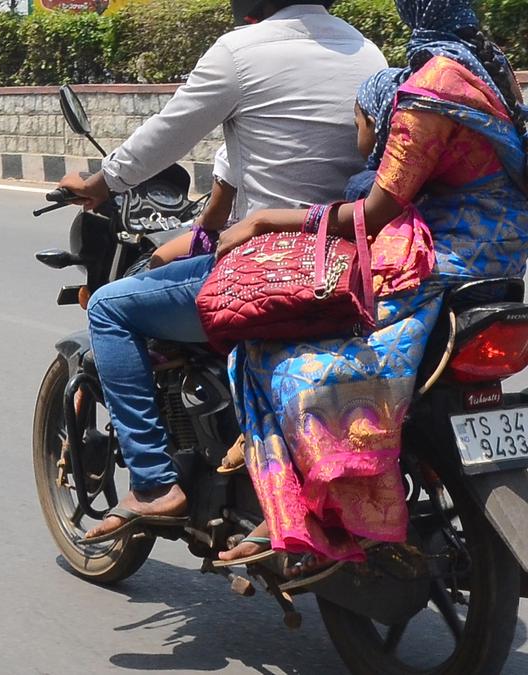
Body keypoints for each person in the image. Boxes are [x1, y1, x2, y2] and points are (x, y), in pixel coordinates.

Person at [216, 0, 528, 575]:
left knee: (277, 350)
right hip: (504, 258)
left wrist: (265, 221)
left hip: (447, 257)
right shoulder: (489, 68)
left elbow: (378, 210)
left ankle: (299, 509)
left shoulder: (432, 86)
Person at [67, 1, 387, 542]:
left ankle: (152, 484)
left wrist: (102, 183)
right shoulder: (368, 51)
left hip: (270, 266)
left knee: (109, 306)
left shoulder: (241, 52)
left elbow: (170, 130)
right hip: (353, 264)